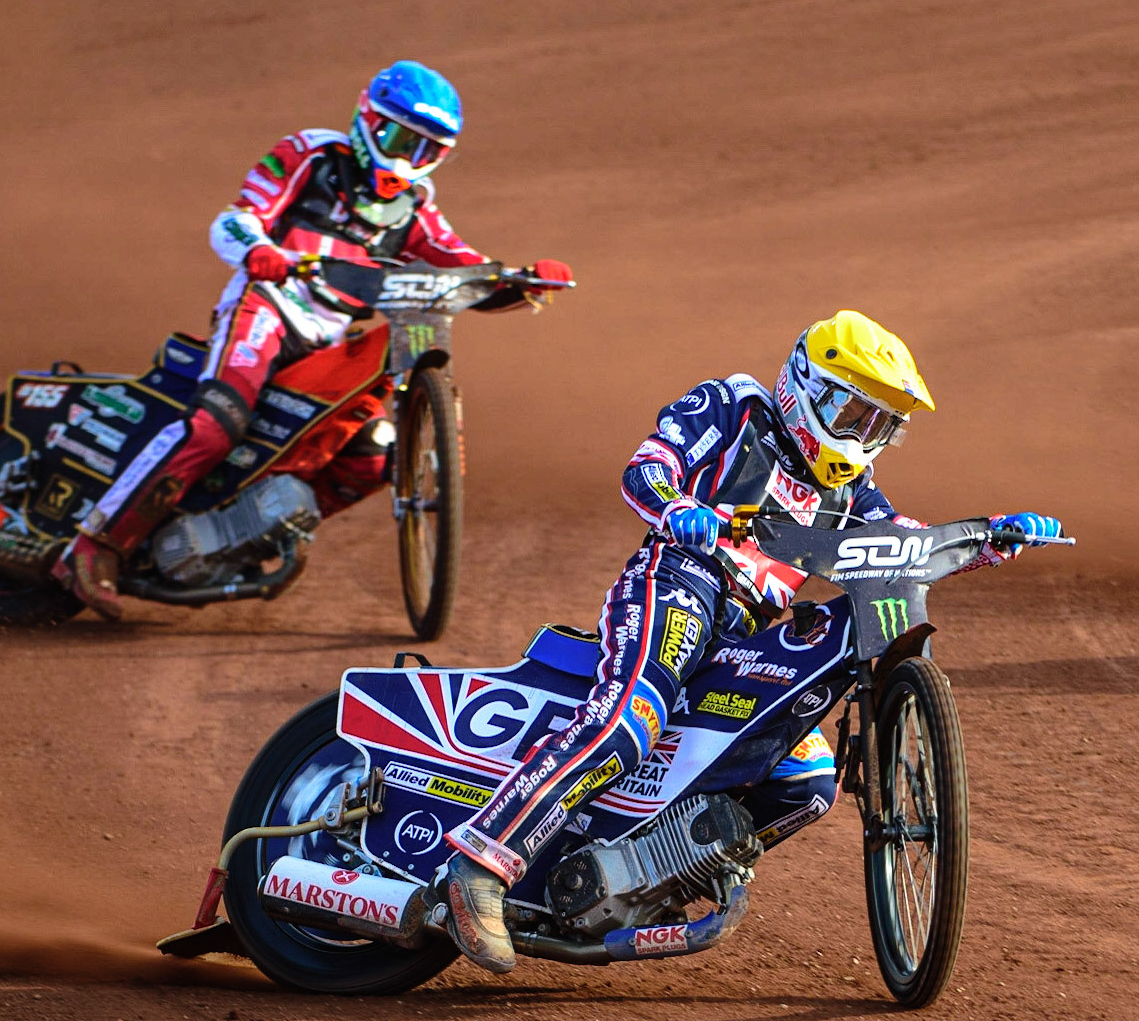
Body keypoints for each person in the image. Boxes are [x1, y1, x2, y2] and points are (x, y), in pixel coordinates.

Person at [438, 309, 1064, 972]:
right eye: (855, 415)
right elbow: (646, 466)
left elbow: (901, 546)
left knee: (810, 779)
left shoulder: (854, 491)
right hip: (680, 578)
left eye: (881, 425)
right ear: (809, 390)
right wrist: (679, 508)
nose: (863, 437)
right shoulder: (735, 406)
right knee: (630, 719)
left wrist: (987, 539)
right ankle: (481, 863)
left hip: (749, 627)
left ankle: (651, 872)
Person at [54, 60, 572, 617]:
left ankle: (245, 529)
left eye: (427, 151)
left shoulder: (418, 209)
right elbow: (235, 218)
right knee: (216, 422)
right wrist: (258, 251)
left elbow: (461, 264)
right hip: (268, 308)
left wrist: (519, 282)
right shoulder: (313, 155)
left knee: (375, 455)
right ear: (368, 121)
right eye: (400, 139)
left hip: (329, 339)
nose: (408, 161)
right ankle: (93, 546)